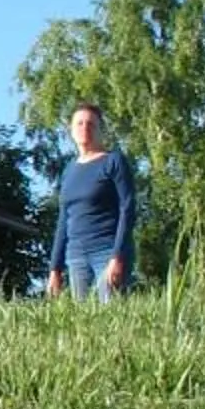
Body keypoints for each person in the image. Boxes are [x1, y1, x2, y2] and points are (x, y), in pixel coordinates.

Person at [45, 102, 137, 299]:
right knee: (82, 315)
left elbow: (127, 209)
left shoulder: (113, 161)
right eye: (79, 123)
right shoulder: (69, 170)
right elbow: (63, 220)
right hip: (76, 255)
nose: (84, 128)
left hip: (107, 250)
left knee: (112, 310)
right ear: (71, 130)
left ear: (100, 130)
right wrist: (55, 268)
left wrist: (118, 255)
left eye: (91, 124)